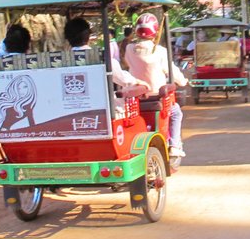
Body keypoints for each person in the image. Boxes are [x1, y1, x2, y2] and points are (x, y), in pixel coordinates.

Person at [125, 13, 189, 158]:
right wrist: (183, 81)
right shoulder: (159, 51)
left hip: (135, 99)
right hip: (157, 98)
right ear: (154, 32)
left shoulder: (129, 49)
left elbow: (128, 65)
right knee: (176, 112)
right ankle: (175, 145)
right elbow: (171, 71)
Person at [64, 18, 146, 88]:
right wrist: (138, 82)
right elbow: (123, 79)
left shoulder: (60, 61)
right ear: (88, 35)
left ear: (67, 38)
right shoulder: (102, 58)